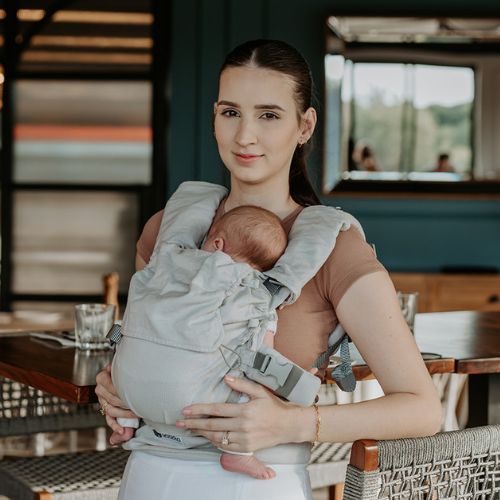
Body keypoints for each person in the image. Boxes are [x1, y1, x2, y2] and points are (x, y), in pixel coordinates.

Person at [96, 39, 441, 500]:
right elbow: (149, 338)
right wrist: (114, 380)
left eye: (269, 115)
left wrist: (294, 422)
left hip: (254, 486)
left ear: (305, 125)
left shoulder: (335, 250)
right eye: (230, 112)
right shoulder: (169, 230)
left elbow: (421, 410)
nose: (244, 136)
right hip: (147, 475)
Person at [114, 204, 288, 480]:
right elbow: (262, 356)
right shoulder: (256, 295)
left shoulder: (166, 264)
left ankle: (125, 423)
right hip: (195, 406)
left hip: (127, 390)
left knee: (145, 353)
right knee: (246, 385)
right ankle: (237, 453)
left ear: (217, 242)